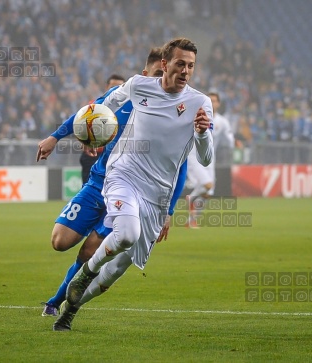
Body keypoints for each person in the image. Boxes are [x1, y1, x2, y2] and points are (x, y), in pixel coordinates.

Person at [55, 37, 213, 331]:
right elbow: (105, 104)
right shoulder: (140, 86)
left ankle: (70, 309)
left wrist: (203, 134)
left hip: (157, 196)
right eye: (180, 64)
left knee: (113, 273)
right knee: (126, 233)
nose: (186, 71)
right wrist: (87, 131)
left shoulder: (200, 103)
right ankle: (85, 272)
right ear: (165, 65)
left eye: (191, 66)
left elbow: (205, 158)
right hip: (124, 175)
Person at [36, 48, 187, 317]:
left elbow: (181, 164)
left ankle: (56, 301)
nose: (158, 82)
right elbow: (86, 114)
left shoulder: (170, 114)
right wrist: (55, 137)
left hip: (132, 193)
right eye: (155, 75)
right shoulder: (126, 97)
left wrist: (169, 211)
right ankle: (60, 298)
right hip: (98, 184)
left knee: (89, 252)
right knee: (59, 241)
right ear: (144, 75)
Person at [186, 91, 234, 228]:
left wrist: (234, 143)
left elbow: (228, 138)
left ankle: (192, 220)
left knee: (208, 193)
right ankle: (192, 198)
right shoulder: (197, 115)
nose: (213, 103)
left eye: (215, 101)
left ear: (219, 103)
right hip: (194, 156)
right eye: (210, 100)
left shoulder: (222, 122)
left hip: (209, 158)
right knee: (207, 185)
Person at [80, 74, 126, 184]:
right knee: (89, 189)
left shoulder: (129, 108)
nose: (116, 89)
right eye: (113, 86)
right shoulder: (95, 104)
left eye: (120, 86)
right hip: (93, 154)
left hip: (115, 156)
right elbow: (81, 124)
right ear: (106, 87)